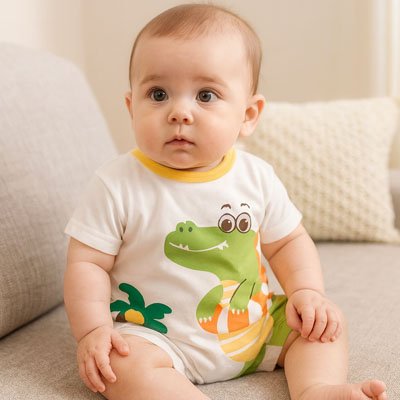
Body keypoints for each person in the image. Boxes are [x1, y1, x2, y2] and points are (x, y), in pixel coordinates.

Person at [64, 4, 387, 400]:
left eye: (206, 95)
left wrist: (308, 292)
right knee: (120, 365)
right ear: (132, 108)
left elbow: (287, 242)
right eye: (158, 94)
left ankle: (316, 388)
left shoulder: (256, 177)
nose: (179, 112)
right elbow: (88, 263)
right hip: (158, 339)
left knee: (324, 325)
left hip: (254, 326)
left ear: (248, 115)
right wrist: (94, 330)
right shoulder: (116, 184)